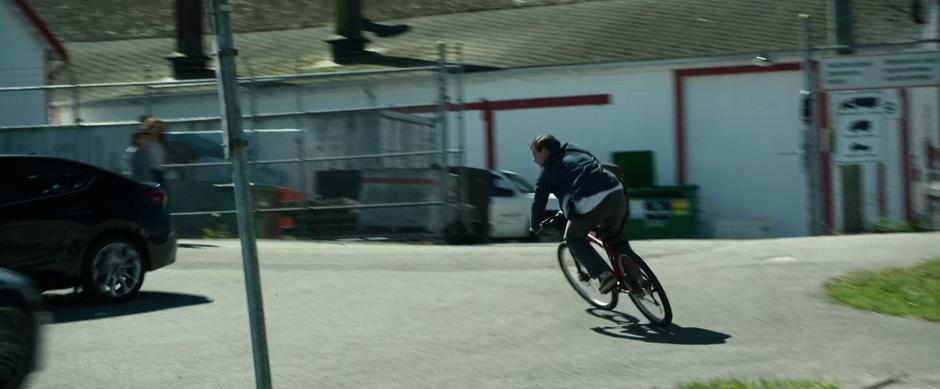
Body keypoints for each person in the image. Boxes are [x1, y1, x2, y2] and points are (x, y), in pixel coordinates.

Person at [529, 134, 642, 294]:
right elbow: (596, 165)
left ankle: (604, 275)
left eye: (535, 154)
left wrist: (534, 225)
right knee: (615, 238)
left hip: (590, 200)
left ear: (545, 150)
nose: (534, 159)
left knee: (573, 238)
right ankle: (638, 279)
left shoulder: (547, 171)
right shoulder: (575, 148)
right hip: (616, 190)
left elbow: (539, 202)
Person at [139, 116, 168, 187]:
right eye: (153, 127)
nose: (156, 129)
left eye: (158, 127)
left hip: (160, 172)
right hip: (149, 173)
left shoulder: (161, 142)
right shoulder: (145, 142)